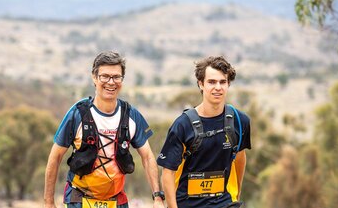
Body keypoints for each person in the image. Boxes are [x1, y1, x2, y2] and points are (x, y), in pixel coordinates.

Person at [44, 51, 165, 208]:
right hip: (78, 199)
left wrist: (157, 197)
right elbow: (55, 157)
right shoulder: (78, 113)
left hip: (116, 200)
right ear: (94, 78)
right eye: (105, 76)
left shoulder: (131, 115)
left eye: (116, 77)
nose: (111, 82)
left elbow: (148, 157)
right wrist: (48, 202)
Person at [157, 56, 251, 208]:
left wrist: (235, 195)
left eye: (222, 82)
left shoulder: (240, 121)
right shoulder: (182, 125)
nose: (218, 87)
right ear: (201, 84)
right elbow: (168, 172)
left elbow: (240, 157)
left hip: (224, 203)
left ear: (228, 84)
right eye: (212, 82)